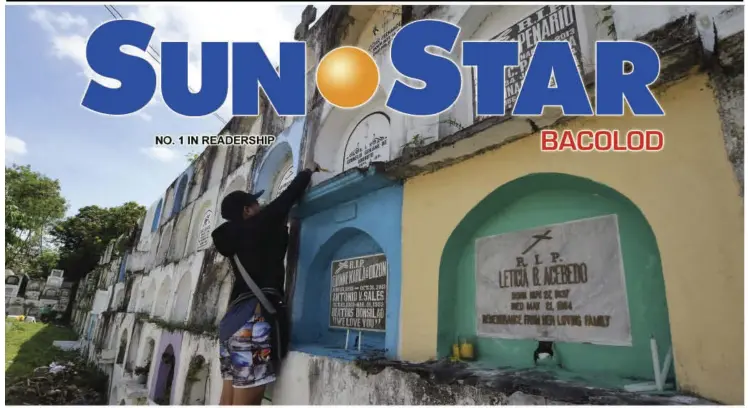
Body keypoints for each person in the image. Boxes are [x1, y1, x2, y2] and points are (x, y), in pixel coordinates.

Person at [211, 163, 319, 406]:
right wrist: (307, 171)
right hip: (252, 324)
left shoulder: (234, 236)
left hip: (231, 324)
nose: (262, 206)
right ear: (247, 210)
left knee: (228, 399)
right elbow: (286, 199)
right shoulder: (258, 225)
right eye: (256, 204)